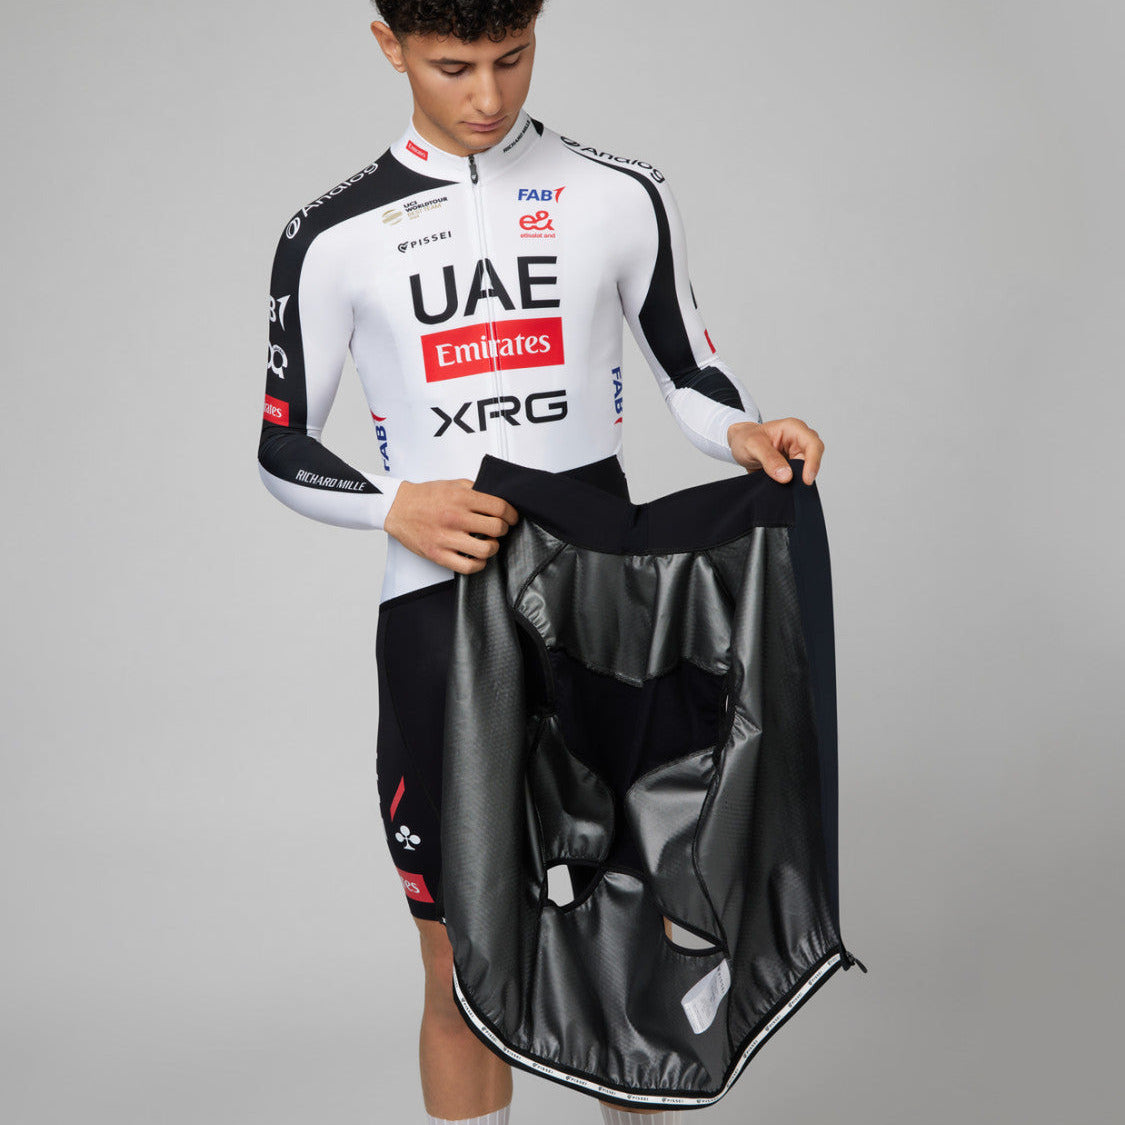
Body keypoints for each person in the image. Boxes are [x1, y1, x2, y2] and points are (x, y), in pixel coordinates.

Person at [256, 3, 826, 1122]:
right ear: (389, 45)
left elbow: (691, 374)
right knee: (460, 971)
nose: (487, 96)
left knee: (647, 945)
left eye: (510, 58)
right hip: (443, 615)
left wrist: (745, 430)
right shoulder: (331, 234)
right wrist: (394, 505)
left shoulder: (619, 193)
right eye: (452, 66)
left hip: (606, 610)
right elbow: (281, 446)